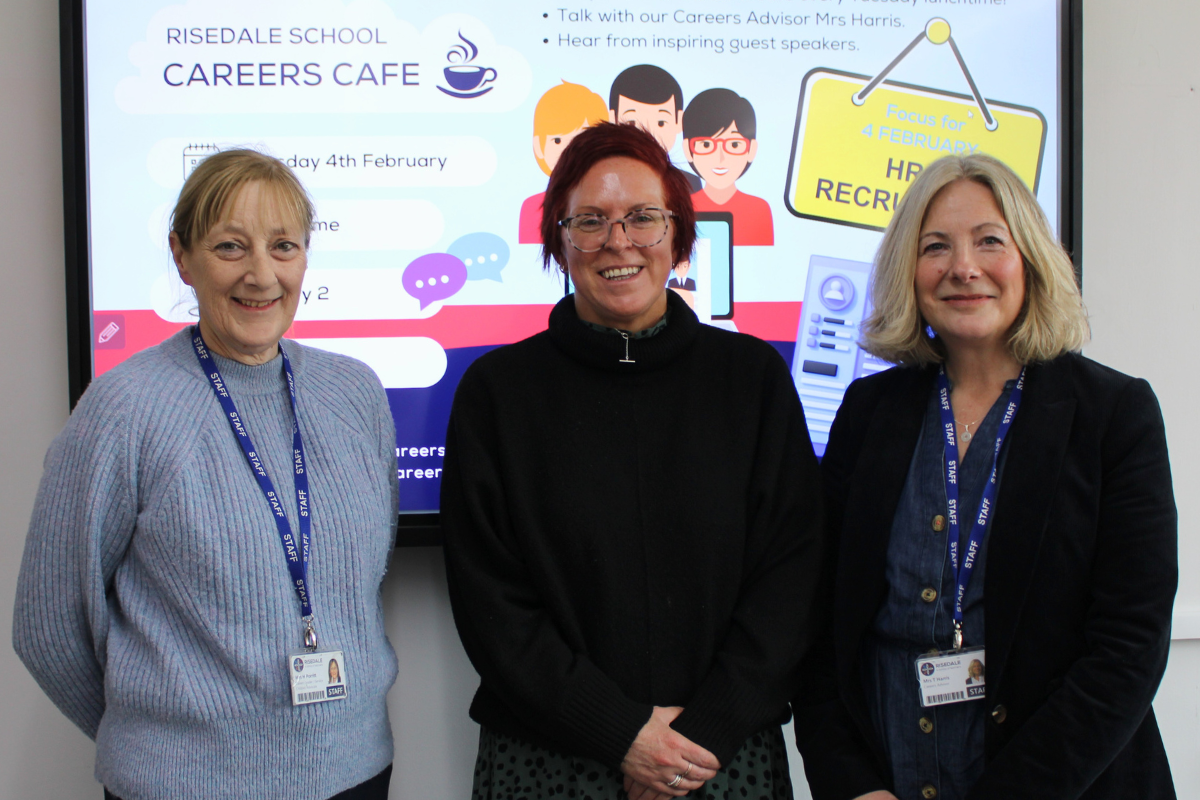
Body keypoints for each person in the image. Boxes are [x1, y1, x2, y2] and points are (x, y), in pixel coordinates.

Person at [441, 122, 825, 800]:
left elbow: (792, 577)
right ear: (560, 241)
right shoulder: (498, 394)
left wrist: (700, 734)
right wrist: (622, 735)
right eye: (590, 221)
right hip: (549, 760)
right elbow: (490, 602)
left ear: (679, 235)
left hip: (720, 756)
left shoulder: (751, 379)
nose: (618, 241)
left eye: (643, 218)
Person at [13, 149, 400, 800]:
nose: (261, 275)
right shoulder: (124, 408)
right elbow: (48, 626)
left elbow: (366, 570)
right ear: (182, 256)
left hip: (355, 772)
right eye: (229, 247)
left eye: (283, 246)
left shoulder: (354, 393)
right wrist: (158, 738)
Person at [792, 153, 1177, 800]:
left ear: (1030, 258)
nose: (963, 267)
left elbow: (1129, 647)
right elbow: (823, 625)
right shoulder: (869, 412)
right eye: (935, 246)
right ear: (909, 270)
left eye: (990, 241)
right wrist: (851, 783)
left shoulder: (1113, 414)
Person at [519, 80, 609, 243]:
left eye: (582, 139)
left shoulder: (616, 203)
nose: (570, 151)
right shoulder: (533, 207)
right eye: (557, 141)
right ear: (538, 146)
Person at [683, 88, 773, 246]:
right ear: (687, 150)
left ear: (751, 149)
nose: (720, 157)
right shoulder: (683, 207)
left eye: (734, 145)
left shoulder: (758, 209)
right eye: (706, 145)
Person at [609, 65, 703, 192]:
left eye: (661, 123)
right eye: (632, 123)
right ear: (613, 119)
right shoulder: (602, 178)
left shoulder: (689, 182)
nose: (648, 134)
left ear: (679, 121)